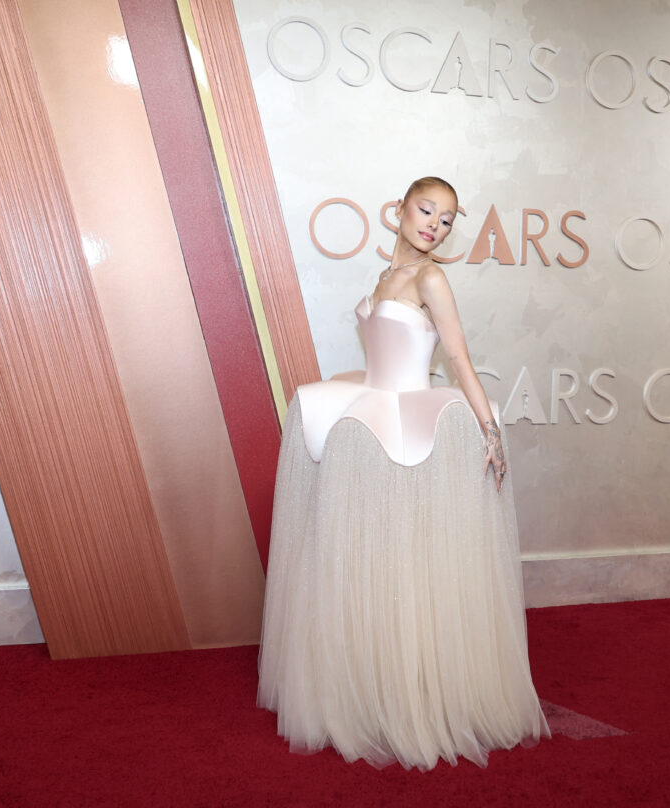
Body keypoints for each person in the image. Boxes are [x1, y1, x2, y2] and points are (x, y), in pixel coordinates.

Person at [257, 177, 549, 770]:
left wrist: (490, 431)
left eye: (446, 221)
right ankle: (374, 682)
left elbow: (458, 354)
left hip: (412, 420)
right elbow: (382, 353)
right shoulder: (387, 276)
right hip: (374, 412)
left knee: (415, 556)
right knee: (375, 554)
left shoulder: (430, 278)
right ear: (399, 210)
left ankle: (420, 691)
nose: (434, 227)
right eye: (426, 211)